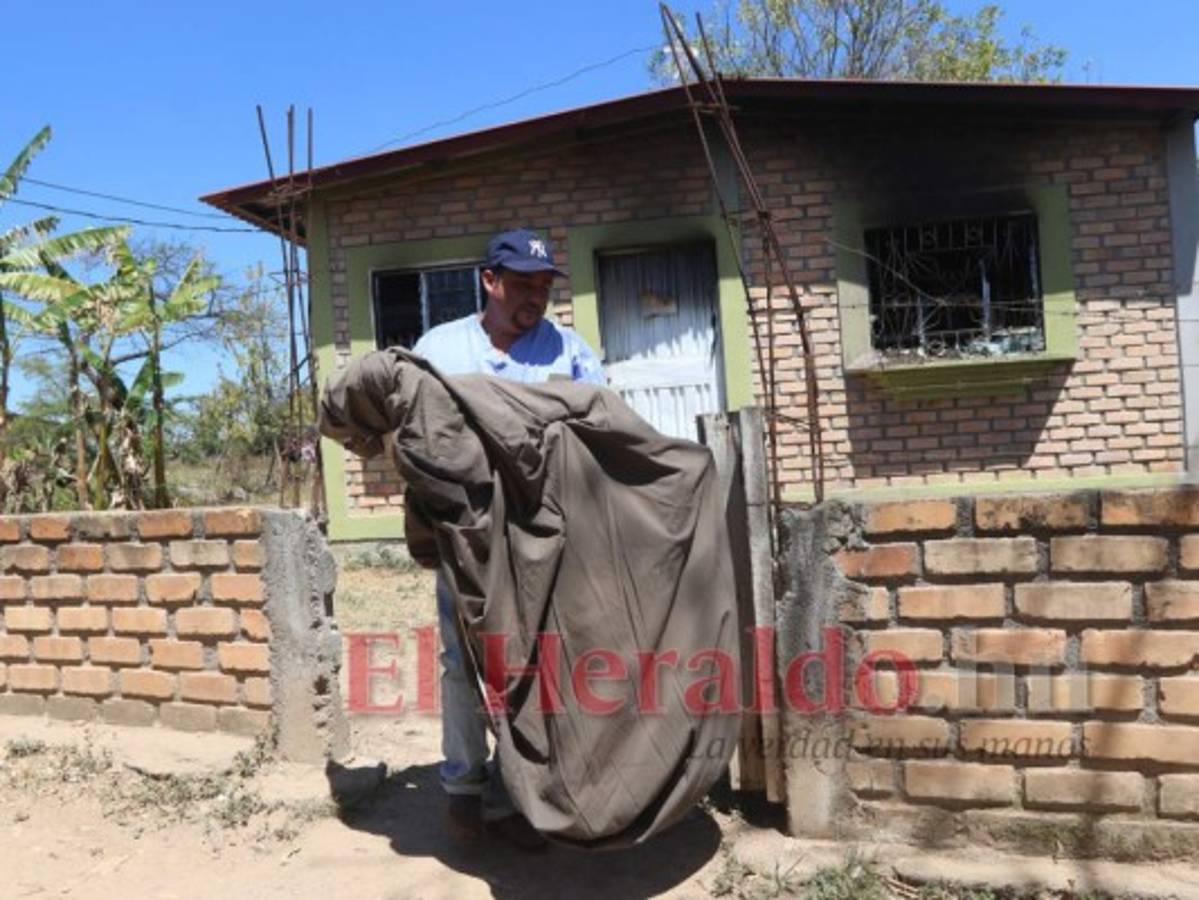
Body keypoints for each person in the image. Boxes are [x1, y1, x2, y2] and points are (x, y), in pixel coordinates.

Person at [409, 228, 604, 850]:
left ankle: (524, 795)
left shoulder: (568, 351)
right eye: (522, 285)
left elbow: (601, 425)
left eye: (544, 288)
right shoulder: (439, 349)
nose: (535, 299)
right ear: (489, 281)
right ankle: (464, 790)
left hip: (543, 540)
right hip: (464, 538)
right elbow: (415, 438)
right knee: (463, 664)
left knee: (537, 666)